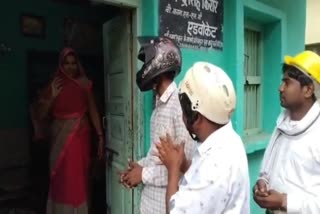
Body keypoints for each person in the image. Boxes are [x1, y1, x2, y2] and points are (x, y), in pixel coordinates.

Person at [156, 62, 250, 214]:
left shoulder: (215, 165)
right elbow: (203, 188)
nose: (182, 116)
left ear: (196, 117)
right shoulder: (231, 140)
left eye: (184, 110)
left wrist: (173, 169)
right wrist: (185, 165)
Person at [119, 36, 195, 214]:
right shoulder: (158, 107)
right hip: (150, 204)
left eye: (146, 62)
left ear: (159, 62)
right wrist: (137, 168)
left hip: (166, 207)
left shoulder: (179, 106)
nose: (143, 68)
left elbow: (184, 168)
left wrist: (142, 174)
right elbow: (155, 156)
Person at [32, 48, 104, 214]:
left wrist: (100, 136)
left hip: (80, 138)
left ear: (77, 65)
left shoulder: (85, 84)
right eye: (67, 63)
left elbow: (92, 110)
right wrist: (52, 97)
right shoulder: (54, 84)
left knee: (78, 177)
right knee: (60, 176)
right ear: (61, 64)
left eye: (73, 63)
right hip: (59, 137)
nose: (70, 67)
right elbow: (40, 114)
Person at [253, 51, 320, 214]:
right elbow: (270, 167)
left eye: (287, 83)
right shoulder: (283, 123)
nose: (280, 88)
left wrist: (285, 201)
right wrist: (262, 182)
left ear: (308, 90)